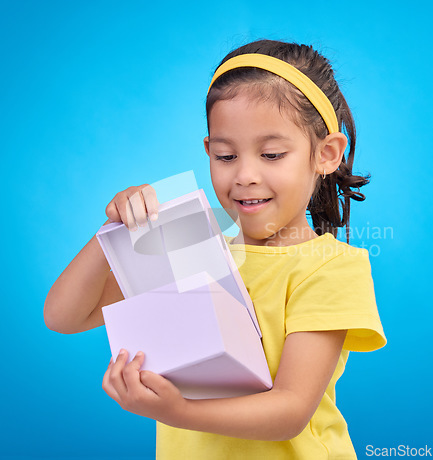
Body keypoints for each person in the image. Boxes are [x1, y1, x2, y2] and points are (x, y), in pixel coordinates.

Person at [44, 39, 387, 459]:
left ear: (326, 154)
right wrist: (115, 229)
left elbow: (291, 409)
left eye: (272, 154)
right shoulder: (190, 245)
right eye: (226, 156)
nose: (244, 175)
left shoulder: (330, 267)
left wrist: (179, 411)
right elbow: (64, 317)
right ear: (209, 150)